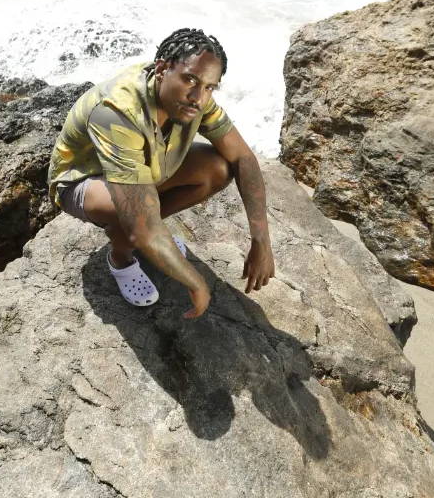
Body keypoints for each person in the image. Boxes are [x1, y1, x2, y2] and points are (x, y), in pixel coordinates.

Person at [48, 28, 275, 318]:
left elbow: (243, 157)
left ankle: (143, 238)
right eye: (190, 79)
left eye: (209, 87)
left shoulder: (194, 101)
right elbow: (141, 220)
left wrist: (261, 240)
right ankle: (120, 256)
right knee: (136, 220)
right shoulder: (118, 109)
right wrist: (195, 282)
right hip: (83, 182)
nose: (198, 96)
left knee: (217, 169)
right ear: (162, 68)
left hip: (145, 169)